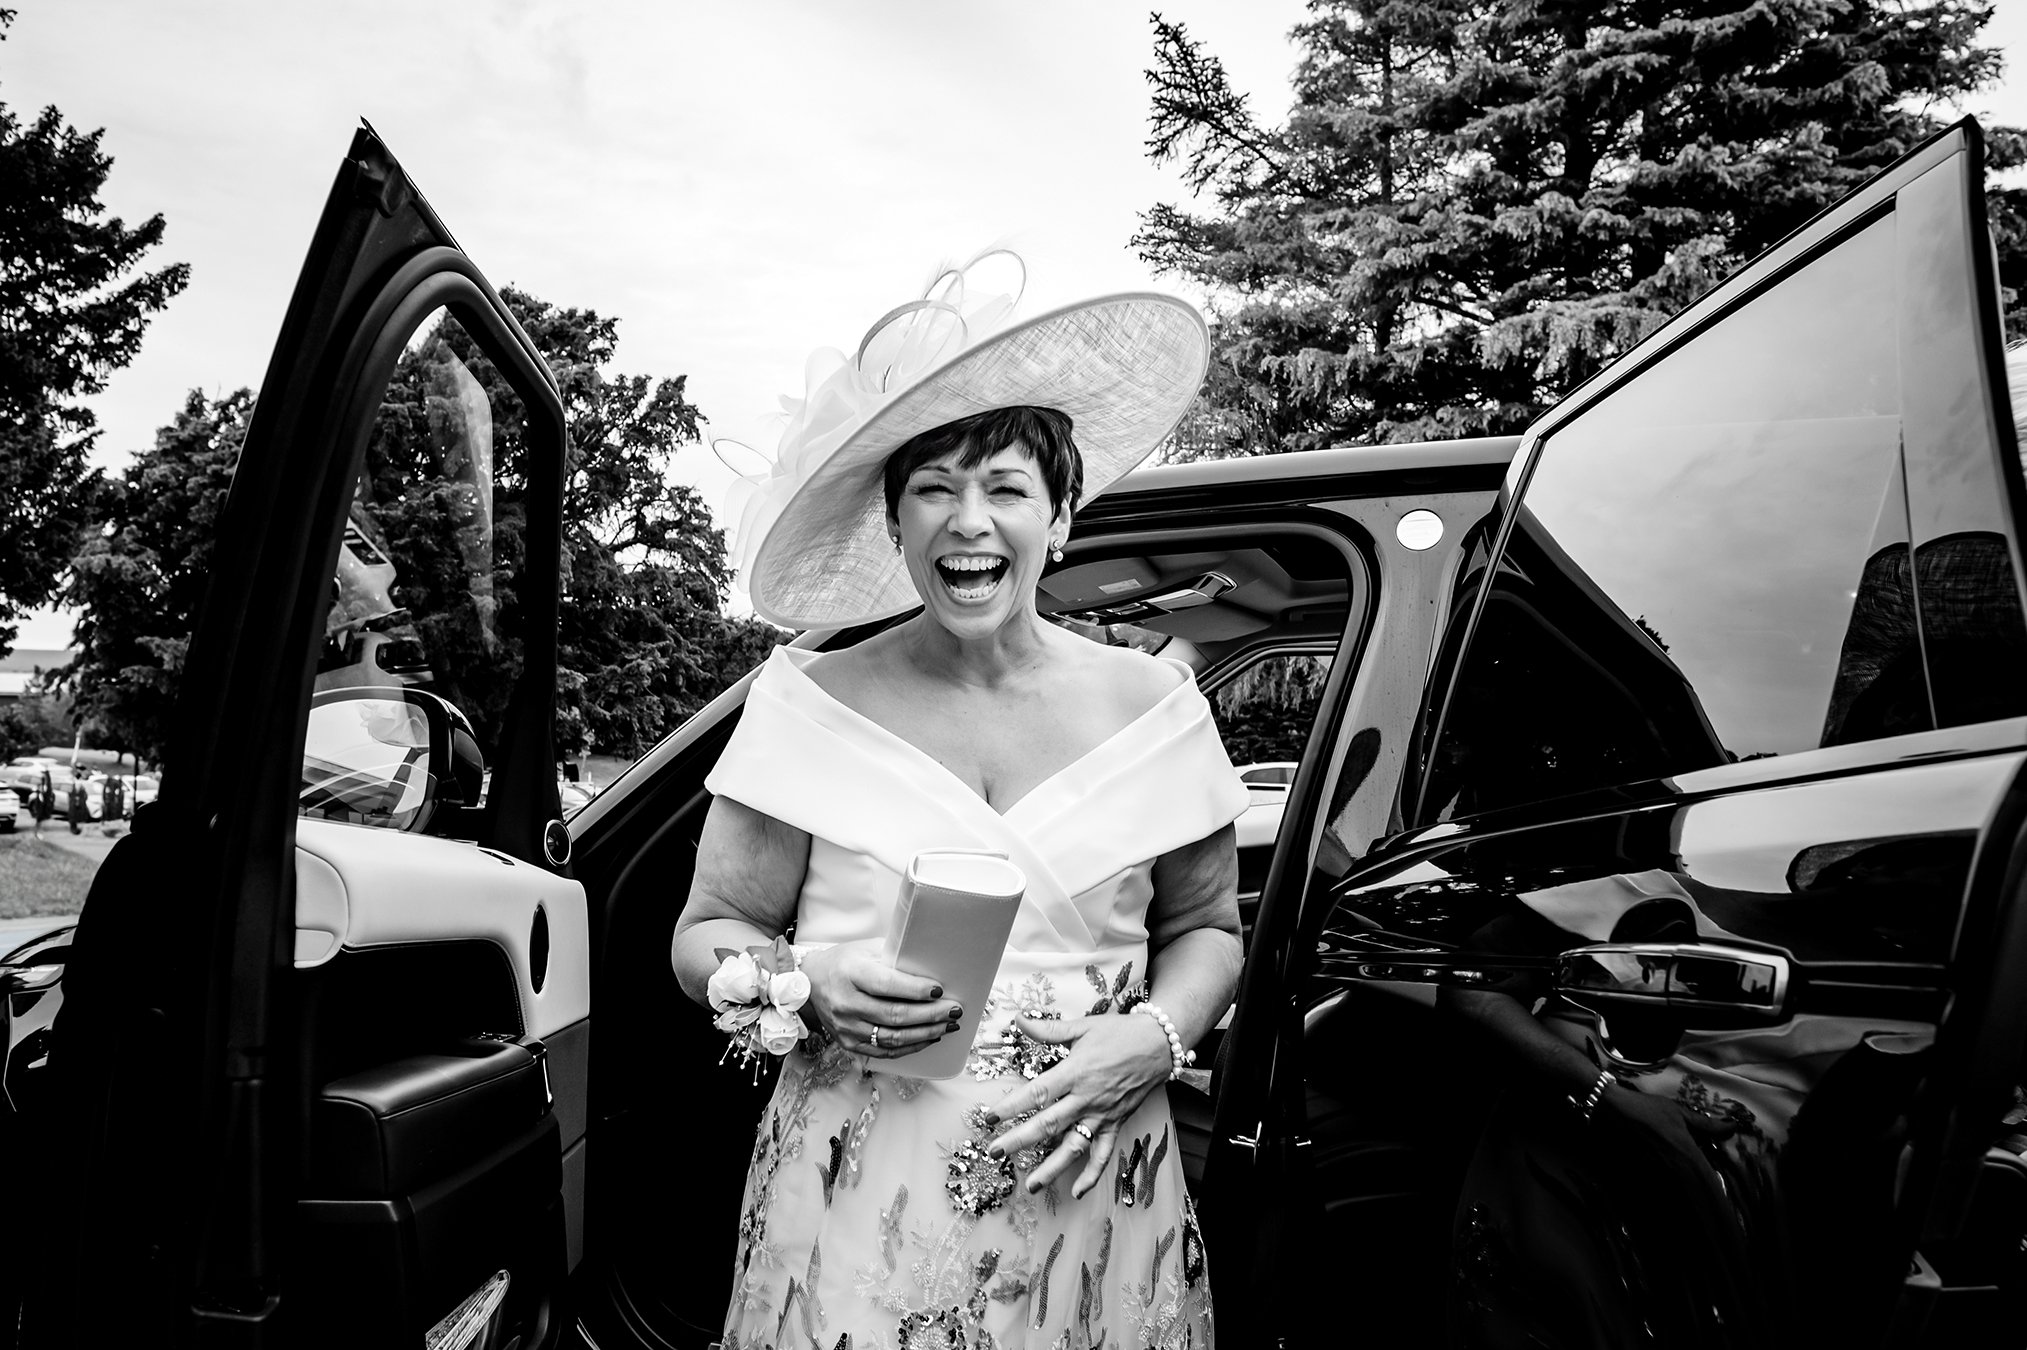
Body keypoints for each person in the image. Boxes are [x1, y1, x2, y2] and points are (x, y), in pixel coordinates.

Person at [671, 254, 1244, 1350]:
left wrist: (1154, 1038)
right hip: (856, 1182)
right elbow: (703, 936)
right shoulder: (809, 704)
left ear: (1060, 519)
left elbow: (1207, 931)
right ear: (895, 526)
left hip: (1091, 1170)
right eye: (933, 488)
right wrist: (799, 979)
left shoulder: (1157, 706)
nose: (966, 520)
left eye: (1005, 489)